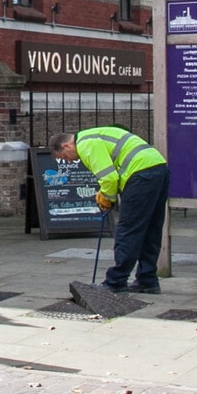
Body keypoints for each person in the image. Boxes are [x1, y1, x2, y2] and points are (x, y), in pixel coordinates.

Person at [50, 126, 170, 295]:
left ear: (66, 146)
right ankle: (147, 280)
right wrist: (108, 193)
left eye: (64, 157)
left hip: (140, 174)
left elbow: (109, 178)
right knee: (151, 229)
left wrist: (107, 198)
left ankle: (116, 281)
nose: (68, 161)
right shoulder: (95, 135)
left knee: (128, 230)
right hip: (159, 167)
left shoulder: (86, 144)